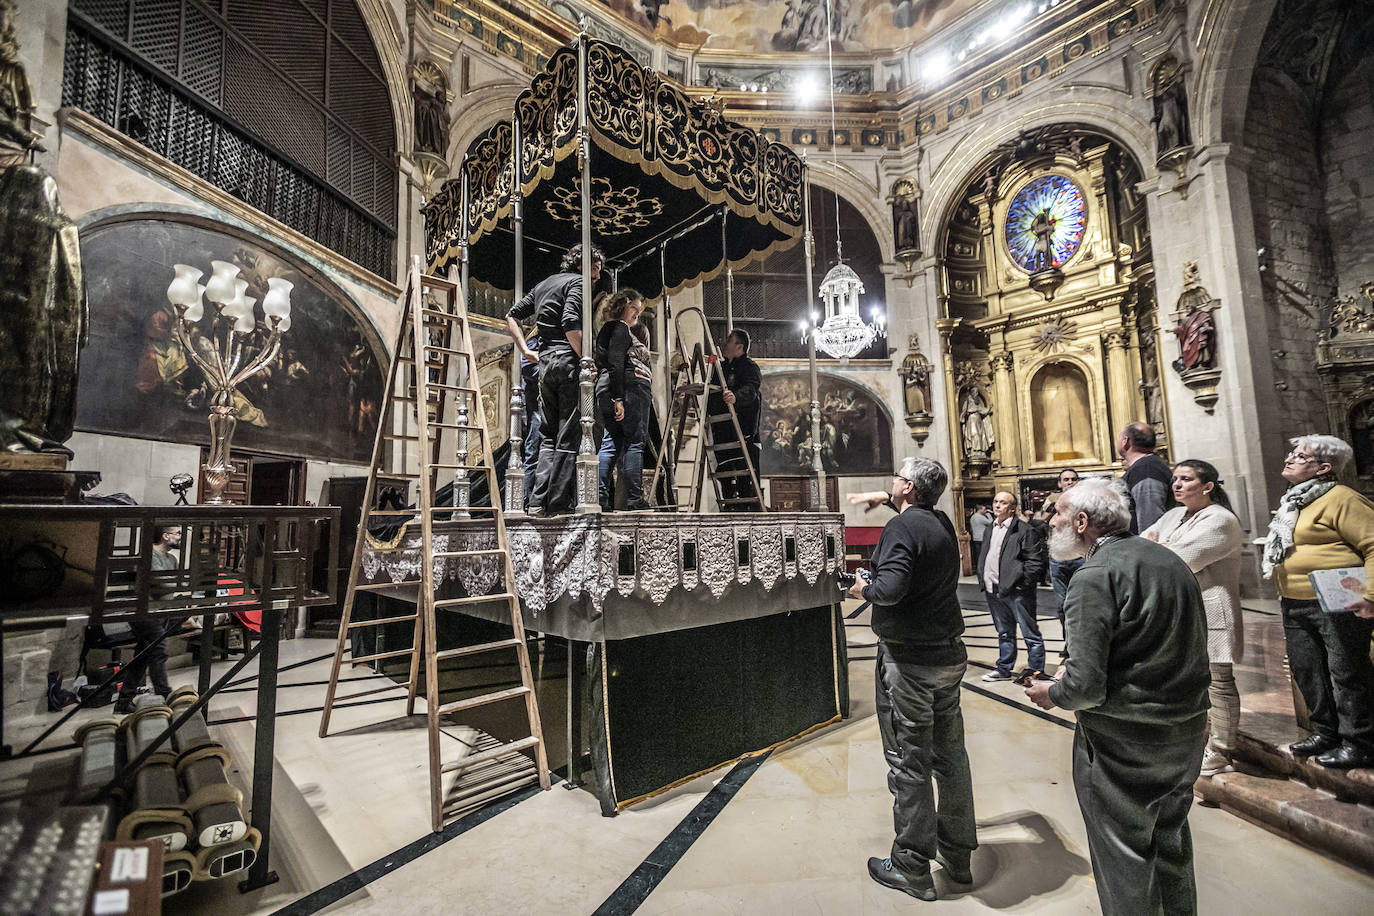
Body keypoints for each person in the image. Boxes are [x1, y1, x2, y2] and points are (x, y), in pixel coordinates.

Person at [1025, 479, 1210, 916]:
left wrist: (1051, 692)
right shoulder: (1169, 560)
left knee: (1123, 856)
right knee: (1172, 846)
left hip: (1124, 740)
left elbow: (1085, 687)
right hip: (1185, 731)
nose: (1051, 523)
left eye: (1058, 515)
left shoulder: (1094, 575)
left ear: (1083, 522)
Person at [849, 457, 976, 900]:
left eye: (897, 479)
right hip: (947, 655)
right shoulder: (939, 521)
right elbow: (911, 513)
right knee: (950, 757)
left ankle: (910, 864)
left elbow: (890, 589)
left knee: (909, 760)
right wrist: (883, 498)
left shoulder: (902, 529)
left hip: (910, 660)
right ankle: (958, 855)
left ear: (908, 489)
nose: (892, 484)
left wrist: (861, 588)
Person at [1263, 434, 1374, 769]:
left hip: (1340, 599)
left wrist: (1371, 596)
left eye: (1301, 455)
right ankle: (1326, 731)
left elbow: (1372, 545)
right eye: (1292, 452)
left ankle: (1360, 741)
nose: (1290, 458)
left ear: (1324, 468)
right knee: (1307, 669)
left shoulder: (1343, 499)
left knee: (1346, 671)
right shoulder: (1294, 502)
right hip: (1295, 599)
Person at [1144, 460, 1245, 776]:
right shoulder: (1174, 514)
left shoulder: (1221, 519)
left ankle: (1221, 748)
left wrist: (1162, 547)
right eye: (1175, 479)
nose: (1176, 484)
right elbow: (1141, 545)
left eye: (1186, 479)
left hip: (1213, 608)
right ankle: (1200, 738)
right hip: (1183, 609)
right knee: (1192, 681)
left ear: (1207, 486)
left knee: (1219, 681)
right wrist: (1159, 547)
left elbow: (1176, 559)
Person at [505, 244, 603, 516]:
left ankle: (537, 502)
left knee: (547, 435)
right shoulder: (577, 282)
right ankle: (557, 503)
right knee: (569, 434)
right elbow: (571, 321)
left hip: (546, 364)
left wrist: (526, 350)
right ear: (582, 264)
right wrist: (587, 358)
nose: (597, 276)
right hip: (568, 362)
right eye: (595, 269)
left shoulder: (545, 284)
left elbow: (511, 314)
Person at [976, 491, 1048, 682]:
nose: (997, 505)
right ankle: (1004, 668)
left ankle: (1035, 671)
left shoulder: (1024, 530)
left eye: (1003, 502)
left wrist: (1022, 584)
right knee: (1004, 632)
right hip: (994, 589)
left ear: (1012, 508)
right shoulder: (990, 529)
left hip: (1016, 591)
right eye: (995, 501)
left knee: (1030, 633)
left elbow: (1035, 561)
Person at [594, 289, 651, 511]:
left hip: (614, 388)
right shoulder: (620, 328)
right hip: (629, 390)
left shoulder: (607, 331)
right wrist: (619, 398)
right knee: (635, 442)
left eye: (639, 310)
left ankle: (601, 498)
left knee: (610, 443)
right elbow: (617, 361)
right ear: (621, 306)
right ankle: (635, 500)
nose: (637, 314)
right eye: (633, 308)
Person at [115, 526, 181, 714]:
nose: (179, 537)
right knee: (158, 651)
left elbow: (174, 583)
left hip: (160, 612)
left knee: (142, 656)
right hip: (144, 611)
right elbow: (161, 582)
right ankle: (165, 695)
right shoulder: (149, 556)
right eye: (177, 533)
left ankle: (123, 701)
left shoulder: (172, 559)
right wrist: (181, 586)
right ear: (165, 536)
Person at [707, 328, 761, 510]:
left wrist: (736, 397)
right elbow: (712, 393)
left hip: (742, 433)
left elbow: (752, 390)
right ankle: (728, 512)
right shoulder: (720, 368)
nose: (725, 342)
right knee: (725, 476)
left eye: (729, 340)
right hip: (722, 432)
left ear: (739, 346)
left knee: (746, 481)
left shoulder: (749, 367)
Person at [1041, 469, 1083, 642]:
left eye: (1073, 479)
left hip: (1080, 557)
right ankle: (1068, 642)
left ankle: (1081, 642)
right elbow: (1042, 520)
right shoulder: (1052, 499)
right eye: (1066, 479)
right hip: (1058, 559)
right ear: (1059, 483)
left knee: (1081, 604)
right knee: (1062, 605)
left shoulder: (1084, 499)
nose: (1069, 482)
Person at [1118, 421, 1174, 533]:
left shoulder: (1146, 469)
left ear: (1125, 441)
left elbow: (1150, 518)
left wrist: (1147, 548)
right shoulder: (1145, 466)